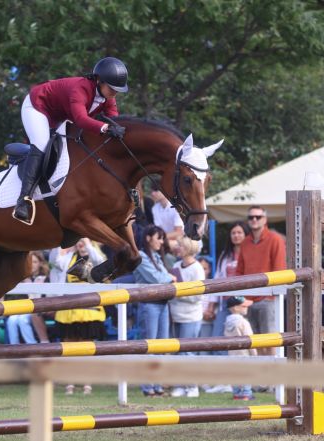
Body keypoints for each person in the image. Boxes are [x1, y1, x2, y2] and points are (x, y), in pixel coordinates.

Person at [13, 57, 129, 225]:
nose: (114, 93)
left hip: (60, 115)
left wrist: (117, 130)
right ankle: (23, 201)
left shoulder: (108, 97)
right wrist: (105, 128)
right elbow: (81, 119)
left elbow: (114, 119)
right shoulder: (80, 89)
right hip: (38, 106)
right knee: (42, 143)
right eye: (112, 88)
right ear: (99, 81)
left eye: (117, 90)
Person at [55, 241, 108, 395]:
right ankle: (70, 383)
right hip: (70, 310)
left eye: (83, 241)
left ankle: (87, 383)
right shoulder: (70, 256)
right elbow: (58, 262)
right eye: (77, 241)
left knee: (87, 348)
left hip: (89, 310)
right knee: (69, 346)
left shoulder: (95, 256)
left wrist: (87, 243)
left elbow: (99, 261)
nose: (80, 244)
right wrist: (66, 247)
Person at [236, 206, 286, 356]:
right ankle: (263, 378)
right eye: (251, 217)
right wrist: (241, 298)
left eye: (258, 217)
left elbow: (279, 271)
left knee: (270, 341)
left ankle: (273, 378)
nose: (254, 220)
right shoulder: (245, 242)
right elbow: (240, 271)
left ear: (265, 220)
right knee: (254, 342)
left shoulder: (275, 239)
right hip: (249, 300)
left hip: (269, 298)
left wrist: (270, 296)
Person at [133, 225, 175, 397]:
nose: (161, 241)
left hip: (162, 304)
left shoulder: (156, 256)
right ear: (149, 238)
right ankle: (147, 386)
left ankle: (157, 385)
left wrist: (169, 278)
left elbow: (162, 278)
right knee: (148, 346)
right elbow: (158, 278)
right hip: (149, 304)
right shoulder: (141, 257)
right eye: (159, 237)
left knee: (161, 347)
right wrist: (170, 278)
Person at [168, 237, 205, 398]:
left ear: (189, 248)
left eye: (181, 245)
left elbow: (198, 297)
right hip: (175, 314)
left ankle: (192, 386)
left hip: (191, 316)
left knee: (188, 352)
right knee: (177, 352)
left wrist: (180, 291)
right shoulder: (176, 266)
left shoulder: (197, 269)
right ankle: (179, 385)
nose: (178, 247)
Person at [206, 221, 249, 345]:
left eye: (239, 232)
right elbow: (217, 279)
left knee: (242, 338)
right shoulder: (225, 255)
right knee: (217, 338)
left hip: (244, 302)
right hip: (225, 302)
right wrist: (210, 306)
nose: (236, 235)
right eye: (233, 233)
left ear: (246, 235)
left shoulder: (251, 254)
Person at [6, 251, 51, 345]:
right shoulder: (22, 279)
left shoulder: (46, 278)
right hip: (23, 310)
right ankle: (14, 347)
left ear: (40, 263)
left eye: (35, 262)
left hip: (40, 310)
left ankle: (32, 345)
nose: (32, 265)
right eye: (29, 262)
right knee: (12, 320)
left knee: (22, 320)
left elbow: (47, 298)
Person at [222, 296, 257, 401]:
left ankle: (237, 393)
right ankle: (246, 393)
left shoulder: (227, 322)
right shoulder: (243, 322)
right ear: (236, 308)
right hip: (244, 353)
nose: (246, 308)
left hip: (232, 353)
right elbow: (250, 339)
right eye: (244, 306)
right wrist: (254, 354)